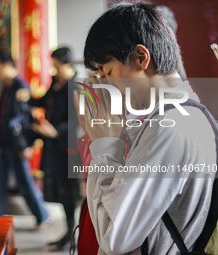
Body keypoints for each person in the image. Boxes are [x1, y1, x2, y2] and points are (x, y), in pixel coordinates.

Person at [82, 2, 215, 254]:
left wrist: (105, 147)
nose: (106, 87)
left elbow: (116, 241)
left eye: (107, 73)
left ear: (141, 57)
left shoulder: (171, 127)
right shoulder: (177, 116)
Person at [0, 51, 49, 227]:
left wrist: (23, 146)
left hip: (16, 145)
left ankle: (42, 215)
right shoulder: (7, 87)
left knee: (24, 182)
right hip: (6, 144)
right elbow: (2, 120)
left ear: (7, 65)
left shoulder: (20, 87)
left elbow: (20, 120)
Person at [30, 47, 81, 251]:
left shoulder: (76, 87)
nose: (53, 68)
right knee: (60, 192)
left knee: (69, 192)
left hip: (69, 149)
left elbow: (77, 122)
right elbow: (42, 101)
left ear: (65, 63)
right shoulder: (56, 84)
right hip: (54, 148)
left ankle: (73, 235)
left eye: (56, 64)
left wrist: (56, 131)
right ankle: (68, 233)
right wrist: (28, 98)